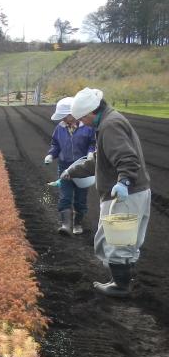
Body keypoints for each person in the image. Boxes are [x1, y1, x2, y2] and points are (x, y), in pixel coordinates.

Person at [61, 88, 151, 298]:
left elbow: (127, 158)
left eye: (83, 118)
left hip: (125, 193)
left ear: (92, 112)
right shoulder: (108, 121)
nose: (83, 122)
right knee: (120, 240)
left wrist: (124, 182)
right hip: (131, 191)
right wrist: (72, 171)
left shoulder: (110, 126)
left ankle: (120, 287)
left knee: (117, 241)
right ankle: (120, 281)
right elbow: (98, 159)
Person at [44, 97, 96, 235]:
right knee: (65, 196)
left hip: (83, 168)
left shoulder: (87, 128)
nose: (64, 119)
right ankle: (66, 225)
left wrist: (91, 153)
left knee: (80, 198)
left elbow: (93, 143)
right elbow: (55, 144)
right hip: (64, 166)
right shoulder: (59, 128)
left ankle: (78, 224)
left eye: (65, 116)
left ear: (73, 114)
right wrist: (51, 155)